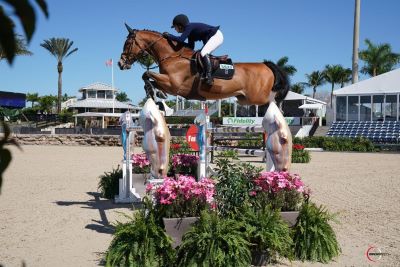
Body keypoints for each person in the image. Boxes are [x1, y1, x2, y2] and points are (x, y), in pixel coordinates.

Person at [163, 14, 223, 86]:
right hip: (212, 37)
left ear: (180, 25)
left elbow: (181, 39)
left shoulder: (189, 27)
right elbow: (191, 46)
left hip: (216, 36)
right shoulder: (190, 33)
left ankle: (209, 77)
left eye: (175, 27)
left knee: (203, 53)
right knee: (201, 53)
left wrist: (169, 36)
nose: (175, 29)